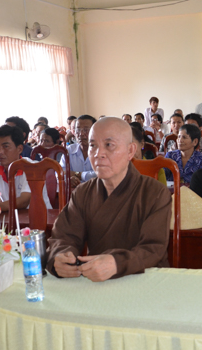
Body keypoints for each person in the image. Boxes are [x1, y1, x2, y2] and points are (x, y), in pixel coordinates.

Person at [46, 118, 172, 281]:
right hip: (97, 280)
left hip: (146, 280)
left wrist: (117, 263)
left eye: (109, 145)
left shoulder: (154, 192)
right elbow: (63, 237)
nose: (98, 154)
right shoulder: (83, 193)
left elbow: (153, 249)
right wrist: (60, 256)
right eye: (93, 145)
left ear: (130, 151)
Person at [0, 125, 51, 213]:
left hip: (39, 216)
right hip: (10, 215)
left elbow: (24, 201)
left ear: (19, 149)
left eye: (6, 146)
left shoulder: (32, 167)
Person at [60, 114, 98, 190]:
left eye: (86, 130)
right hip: (75, 192)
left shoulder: (101, 150)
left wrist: (78, 174)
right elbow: (59, 172)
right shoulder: (69, 150)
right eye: (78, 130)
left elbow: (100, 175)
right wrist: (69, 179)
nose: (81, 134)